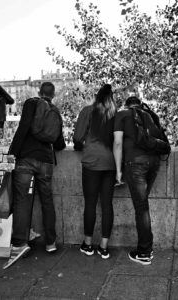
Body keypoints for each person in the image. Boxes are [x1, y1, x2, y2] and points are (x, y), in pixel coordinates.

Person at [3, 82, 61, 269]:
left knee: (22, 200)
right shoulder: (55, 111)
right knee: (47, 200)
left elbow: (24, 127)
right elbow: (59, 142)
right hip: (45, 161)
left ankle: (20, 243)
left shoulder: (31, 103)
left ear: (39, 91)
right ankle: (51, 243)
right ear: (53, 94)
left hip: (27, 159)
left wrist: (13, 152)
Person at [113, 96, 162, 265]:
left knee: (141, 208)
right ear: (139, 105)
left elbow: (118, 143)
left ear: (126, 104)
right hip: (154, 162)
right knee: (143, 207)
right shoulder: (148, 114)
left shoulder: (122, 114)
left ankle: (144, 252)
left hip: (136, 163)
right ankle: (147, 247)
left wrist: (118, 170)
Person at [73, 84, 117, 259]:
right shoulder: (115, 114)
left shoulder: (88, 111)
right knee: (107, 205)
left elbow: (77, 137)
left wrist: (80, 146)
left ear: (97, 96)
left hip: (91, 161)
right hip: (111, 163)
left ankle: (88, 244)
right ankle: (104, 247)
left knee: (90, 203)